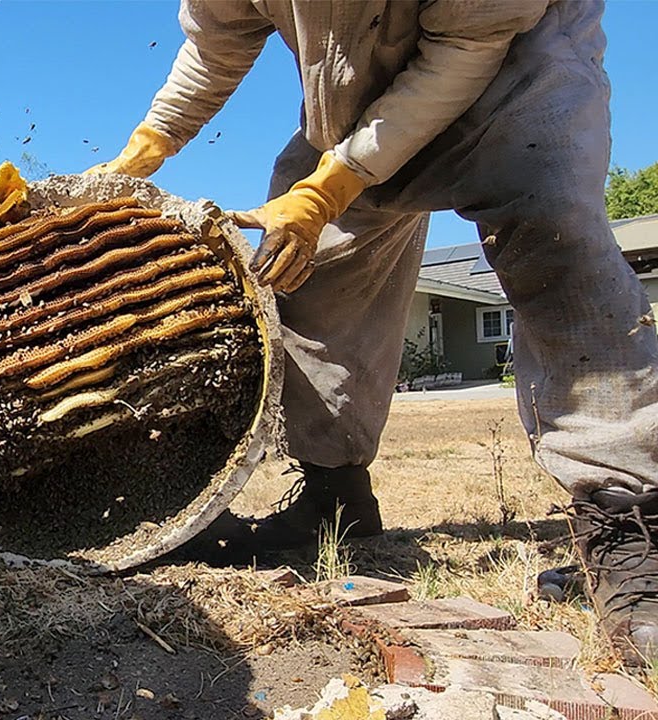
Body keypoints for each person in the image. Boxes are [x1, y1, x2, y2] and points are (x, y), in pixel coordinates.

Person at [92, 1, 658, 664]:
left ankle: (630, 523)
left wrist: (339, 179)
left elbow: (466, 48)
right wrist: (148, 146)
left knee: (556, 241)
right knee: (308, 271)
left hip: (512, 67)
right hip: (356, 100)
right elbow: (217, 40)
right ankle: (334, 494)